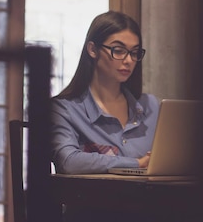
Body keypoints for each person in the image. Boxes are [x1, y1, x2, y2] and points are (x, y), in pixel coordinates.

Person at [51, 10, 160, 174]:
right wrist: (137, 163)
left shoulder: (151, 106)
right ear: (93, 50)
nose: (129, 60)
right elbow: (68, 161)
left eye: (134, 52)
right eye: (118, 50)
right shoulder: (64, 109)